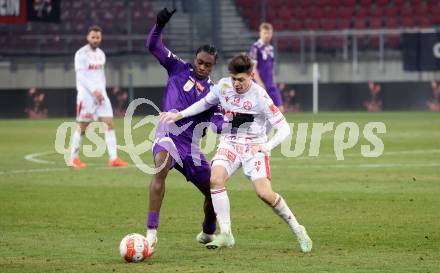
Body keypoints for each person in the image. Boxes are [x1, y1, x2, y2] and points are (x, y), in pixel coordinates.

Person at [160, 54, 313, 253]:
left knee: (264, 194)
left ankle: (298, 229)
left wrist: (266, 146)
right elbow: (205, 103)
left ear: (251, 75)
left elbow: (284, 128)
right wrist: (179, 114)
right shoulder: (224, 86)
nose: (236, 84)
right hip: (230, 142)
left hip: (254, 146)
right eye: (233, 78)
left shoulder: (260, 96)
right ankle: (226, 233)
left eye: (241, 79)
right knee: (215, 180)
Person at [145, 8, 224, 254]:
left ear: (213, 66)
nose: (202, 67)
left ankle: (208, 231)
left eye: (208, 65)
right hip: (167, 135)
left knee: (214, 190)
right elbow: (153, 46)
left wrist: (232, 124)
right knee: (161, 166)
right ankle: (151, 232)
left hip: (191, 148)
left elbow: (218, 124)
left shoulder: (214, 95)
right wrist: (159, 24)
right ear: (195, 59)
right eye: (200, 62)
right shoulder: (178, 68)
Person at [70, 25, 128, 168]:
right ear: (88, 37)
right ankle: (73, 158)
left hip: (101, 96)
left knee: (109, 123)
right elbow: (82, 76)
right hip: (86, 96)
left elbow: (100, 76)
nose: (95, 40)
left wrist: (101, 92)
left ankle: (113, 159)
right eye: (93, 37)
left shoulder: (101, 54)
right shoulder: (80, 54)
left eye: (98, 37)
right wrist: (94, 91)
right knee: (83, 126)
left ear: (101, 38)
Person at [249, 22, 284, 112]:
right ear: (260, 33)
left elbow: (270, 67)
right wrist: (259, 83)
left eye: (269, 33)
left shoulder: (270, 48)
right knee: (260, 111)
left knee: (280, 109)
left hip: (270, 84)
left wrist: (273, 82)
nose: (267, 35)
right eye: (265, 33)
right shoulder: (255, 47)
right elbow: (253, 68)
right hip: (259, 84)